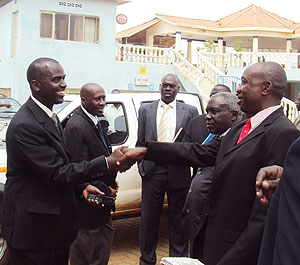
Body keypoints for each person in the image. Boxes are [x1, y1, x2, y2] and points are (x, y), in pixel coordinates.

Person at [118, 62, 300, 265]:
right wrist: (146, 151)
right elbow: (200, 152)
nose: (238, 88)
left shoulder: (283, 133)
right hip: (212, 242)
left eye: (244, 82)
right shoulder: (242, 127)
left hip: (236, 252)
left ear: (266, 88)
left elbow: (263, 219)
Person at [1, 57, 131, 265]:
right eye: (56, 79)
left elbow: (63, 162)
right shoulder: (26, 124)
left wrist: (82, 186)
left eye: (64, 78)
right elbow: (56, 173)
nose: (63, 84)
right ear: (36, 85)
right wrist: (106, 162)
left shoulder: (49, 116)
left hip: (53, 228)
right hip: (34, 232)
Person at [136, 73, 199, 265]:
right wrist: (142, 167)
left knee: (178, 219)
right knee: (149, 220)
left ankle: (177, 260)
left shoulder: (190, 111)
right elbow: (140, 142)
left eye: (172, 86)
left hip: (178, 170)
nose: (168, 89)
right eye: (165, 85)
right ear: (160, 87)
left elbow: (194, 144)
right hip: (153, 171)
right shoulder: (146, 110)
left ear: (178, 88)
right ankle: (147, 260)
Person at [182, 92, 242, 259]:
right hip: (196, 216)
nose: (207, 117)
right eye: (207, 111)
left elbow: (197, 153)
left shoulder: (237, 141)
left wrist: (147, 151)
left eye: (214, 112)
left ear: (233, 115)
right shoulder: (217, 136)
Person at [65, 83, 117, 265]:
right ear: (84, 100)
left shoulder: (94, 120)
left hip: (101, 206)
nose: (102, 102)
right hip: (87, 210)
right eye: (97, 99)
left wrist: (111, 183)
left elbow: (101, 156)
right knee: (84, 256)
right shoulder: (76, 126)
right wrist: (102, 189)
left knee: (100, 254)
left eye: (104, 98)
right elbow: (79, 169)